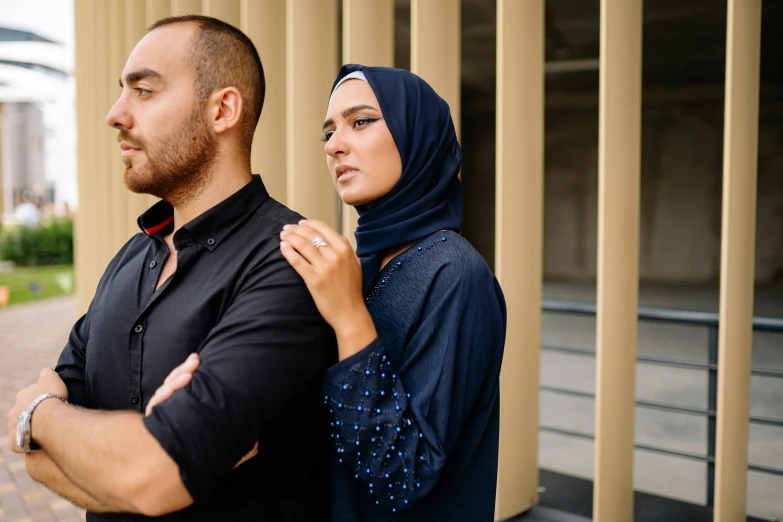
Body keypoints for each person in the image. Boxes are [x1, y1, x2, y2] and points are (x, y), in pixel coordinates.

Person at [6, 16, 335, 521]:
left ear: (222, 109)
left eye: (143, 90)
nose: (116, 114)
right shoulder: (130, 258)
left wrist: (40, 414)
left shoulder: (287, 262)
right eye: (123, 92)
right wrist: (134, 464)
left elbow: (154, 475)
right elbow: (33, 459)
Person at [157, 64, 507, 521]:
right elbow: (330, 423)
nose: (335, 145)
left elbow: (403, 475)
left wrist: (348, 317)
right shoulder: (359, 265)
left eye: (361, 122)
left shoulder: (455, 274)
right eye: (329, 132)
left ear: (416, 135)